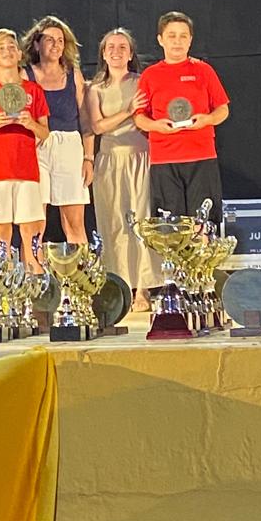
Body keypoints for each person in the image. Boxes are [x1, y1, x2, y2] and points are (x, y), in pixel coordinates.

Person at [133, 11, 229, 224]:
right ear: (160, 40)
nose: (177, 41)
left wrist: (207, 120)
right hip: (164, 159)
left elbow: (223, 109)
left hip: (201, 156)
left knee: (203, 224)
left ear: (190, 40)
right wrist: (156, 126)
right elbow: (139, 118)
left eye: (183, 36)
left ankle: (203, 247)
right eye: (172, 35)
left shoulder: (204, 71)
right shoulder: (150, 75)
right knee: (170, 227)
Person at [86, 27, 156, 311]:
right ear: (103, 54)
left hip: (141, 159)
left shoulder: (143, 82)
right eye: (111, 47)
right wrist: (128, 111)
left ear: (130, 53)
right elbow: (97, 126)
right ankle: (120, 286)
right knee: (113, 224)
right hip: (109, 162)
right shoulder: (94, 88)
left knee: (141, 222)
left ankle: (143, 289)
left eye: (122, 47)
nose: (116, 52)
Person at [0, 28, 50, 263]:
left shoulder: (33, 90)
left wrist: (30, 123)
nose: (7, 51)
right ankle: (3, 281)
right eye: (1, 48)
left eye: (11, 47)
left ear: (19, 54)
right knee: (0, 232)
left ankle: (36, 280)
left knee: (31, 231)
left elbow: (45, 132)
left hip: (26, 171)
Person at [21, 16, 94, 247]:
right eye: (49, 39)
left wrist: (88, 157)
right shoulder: (25, 75)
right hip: (36, 146)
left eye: (60, 40)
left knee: (74, 223)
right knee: (35, 225)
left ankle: (79, 269)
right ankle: (34, 269)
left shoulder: (73, 74)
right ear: (36, 44)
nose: (55, 45)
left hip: (69, 146)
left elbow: (86, 120)